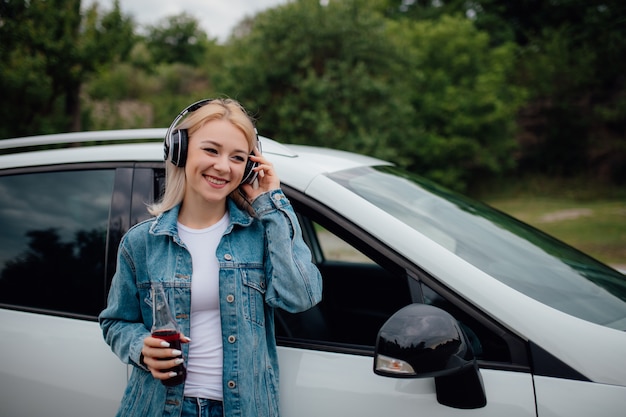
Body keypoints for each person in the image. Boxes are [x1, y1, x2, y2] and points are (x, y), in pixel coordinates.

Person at [99, 98, 323, 417]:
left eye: (238, 157)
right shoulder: (141, 243)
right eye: (211, 150)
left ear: (249, 167)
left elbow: (301, 296)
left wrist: (272, 201)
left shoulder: (261, 236)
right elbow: (115, 322)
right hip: (162, 408)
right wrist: (140, 347)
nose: (223, 166)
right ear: (180, 150)